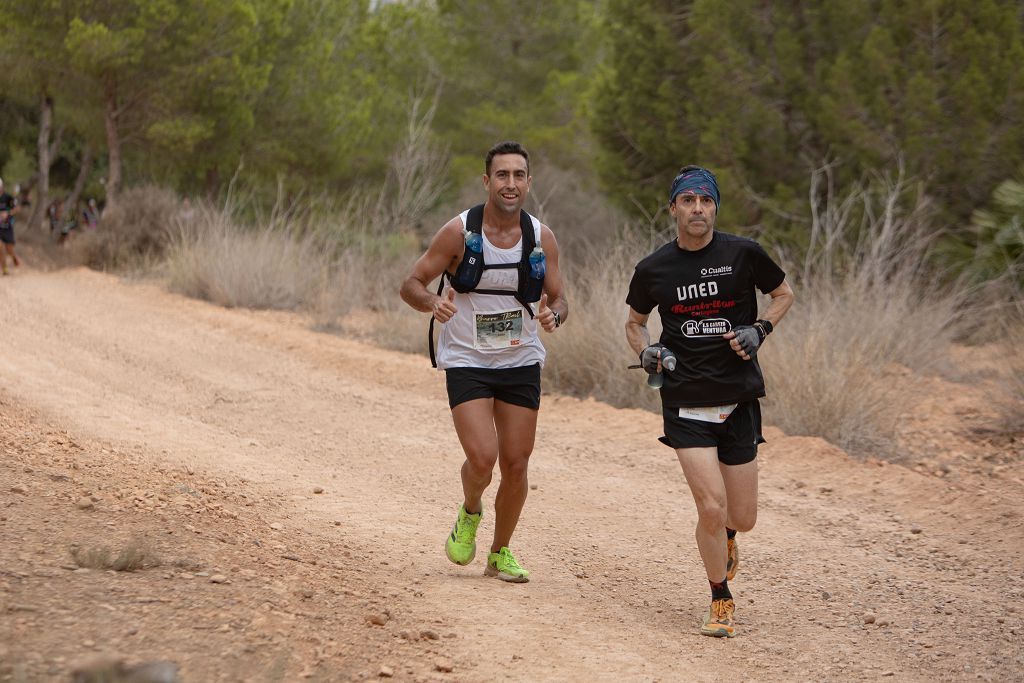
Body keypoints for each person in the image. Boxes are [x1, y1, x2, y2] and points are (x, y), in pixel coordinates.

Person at [625, 166, 794, 637]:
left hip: (738, 399)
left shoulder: (743, 254)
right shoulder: (654, 268)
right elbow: (634, 323)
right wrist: (647, 351)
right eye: (688, 201)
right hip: (685, 400)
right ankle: (720, 597)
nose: (697, 209)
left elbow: (784, 293)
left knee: (742, 517)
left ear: (715, 207)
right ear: (673, 209)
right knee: (710, 507)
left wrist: (759, 330)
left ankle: (730, 539)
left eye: (705, 201)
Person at [400, 141, 568, 583]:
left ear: (529, 183)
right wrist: (432, 302)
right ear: (487, 181)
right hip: (467, 358)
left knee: (516, 465)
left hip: (521, 359)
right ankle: (470, 511)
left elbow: (561, 298)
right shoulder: (459, 233)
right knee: (482, 459)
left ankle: (500, 552)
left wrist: (554, 314)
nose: (510, 184)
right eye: (501, 175)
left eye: (518, 176)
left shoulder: (540, 237)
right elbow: (411, 283)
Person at [0, 178, 21, 276]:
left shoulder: (8, 198)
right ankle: (4, 269)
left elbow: (17, 208)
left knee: (9, 249)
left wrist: (7, 213)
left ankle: (14, 256)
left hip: (7, 227)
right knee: (1, 247)